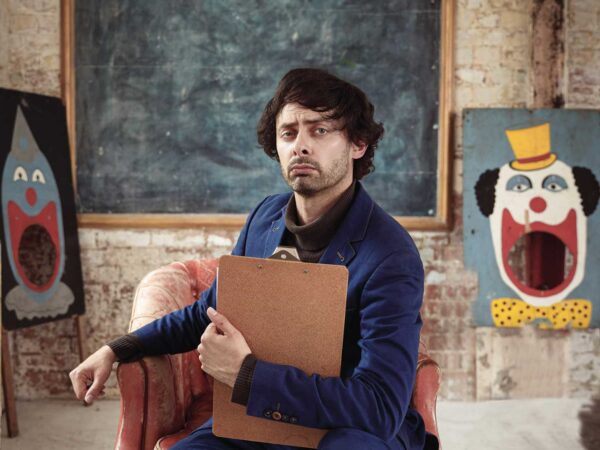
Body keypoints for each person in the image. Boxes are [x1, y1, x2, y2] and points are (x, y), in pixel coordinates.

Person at [70, 68, 435, 450]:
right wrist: (115, 349)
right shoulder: (264, 218)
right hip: (260, 418)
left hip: (350, 430)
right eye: (289, 132)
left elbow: (380, 407)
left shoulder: (391, 255)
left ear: (357, 144)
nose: (301, 146)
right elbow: (207, 312)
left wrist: (248, 375)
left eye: (320, 130)